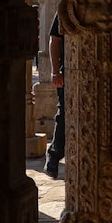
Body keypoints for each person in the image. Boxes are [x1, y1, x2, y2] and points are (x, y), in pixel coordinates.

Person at [44, 12, 65, 177]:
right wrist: (55, 71)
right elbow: (54, 40)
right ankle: (54, 155)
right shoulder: (64, 9)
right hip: (68, 71)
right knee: (64, 113)